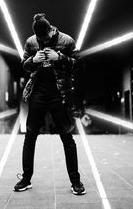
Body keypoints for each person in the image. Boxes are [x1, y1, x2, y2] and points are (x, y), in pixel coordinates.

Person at [13, 13, 86, 195]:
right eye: (39, 39)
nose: (42, 41)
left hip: (59, 94)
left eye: (44, 38)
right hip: (38, 93)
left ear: (50, 30)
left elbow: (79, 64)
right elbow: (24, 64)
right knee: (30, 136)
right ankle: (26, 179)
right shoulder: (31, 42)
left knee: (67, 137)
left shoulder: (66, 40)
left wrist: (59, 57)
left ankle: (75, 181)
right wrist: (33, 60)